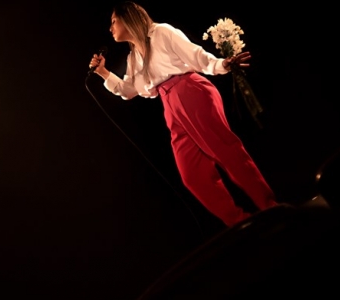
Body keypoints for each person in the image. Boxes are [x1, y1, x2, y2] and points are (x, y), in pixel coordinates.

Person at [88, 1, 278, 226]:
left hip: (190, 91)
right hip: (170, 105)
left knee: (225, 151)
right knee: (193, 175)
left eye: (113, 21)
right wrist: (103, 73)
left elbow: (196, 56)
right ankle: (242, 222)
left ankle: (272, 208)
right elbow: (129, 90)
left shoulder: (161, 32)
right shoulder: (134, 57)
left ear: (128, 17)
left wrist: (221, 65)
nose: (110, 28)